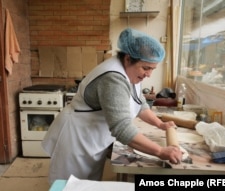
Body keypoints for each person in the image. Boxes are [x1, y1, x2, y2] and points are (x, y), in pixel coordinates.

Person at [42, 28, 183, 184]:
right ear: (128, 59)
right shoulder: (113, 78)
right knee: (66, 185)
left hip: (91, 136)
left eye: (152, 69)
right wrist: (160, 151)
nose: (149, 74)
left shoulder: (130, 72)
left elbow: (139, 102)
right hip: (76, 138)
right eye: (146, 68)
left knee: (86, 184)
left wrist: (160, 124)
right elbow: (121, 128)